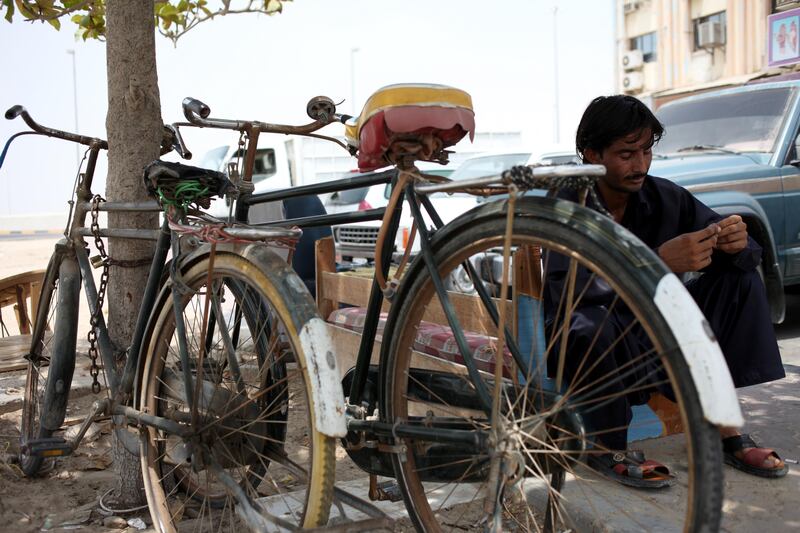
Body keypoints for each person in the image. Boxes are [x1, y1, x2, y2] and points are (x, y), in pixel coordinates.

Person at [544, 94, 788, 488]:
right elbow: (572, 290)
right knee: (591, 324)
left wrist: (736, 241)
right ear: (591, 154)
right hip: (595, 339)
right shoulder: (567, 203)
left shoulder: (663, 196)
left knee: (738, 280)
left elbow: (735, 249)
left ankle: (727, 432)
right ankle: (607, 449)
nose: (639, 164)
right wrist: (657, 261)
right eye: (626, 154)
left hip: (656, 334)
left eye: (645, 151)